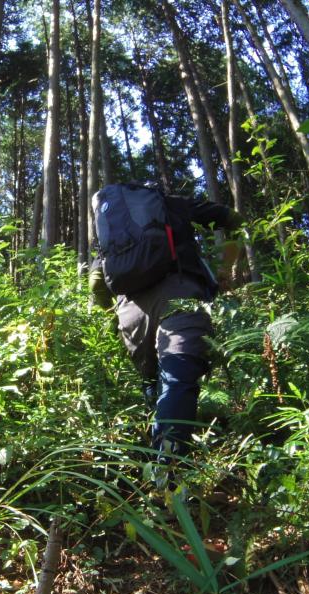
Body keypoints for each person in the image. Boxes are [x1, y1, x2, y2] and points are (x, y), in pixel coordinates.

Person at [89, 184, 244, 490]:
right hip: (179, 293)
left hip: (130, 312)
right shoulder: (173, 204)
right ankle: (169, 480)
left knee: (154, 383)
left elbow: (96, 283)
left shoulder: (111, 234)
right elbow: (233, 220)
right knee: (178, 377)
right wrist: (227, 269)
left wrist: (113, 319)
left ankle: (157, 467)